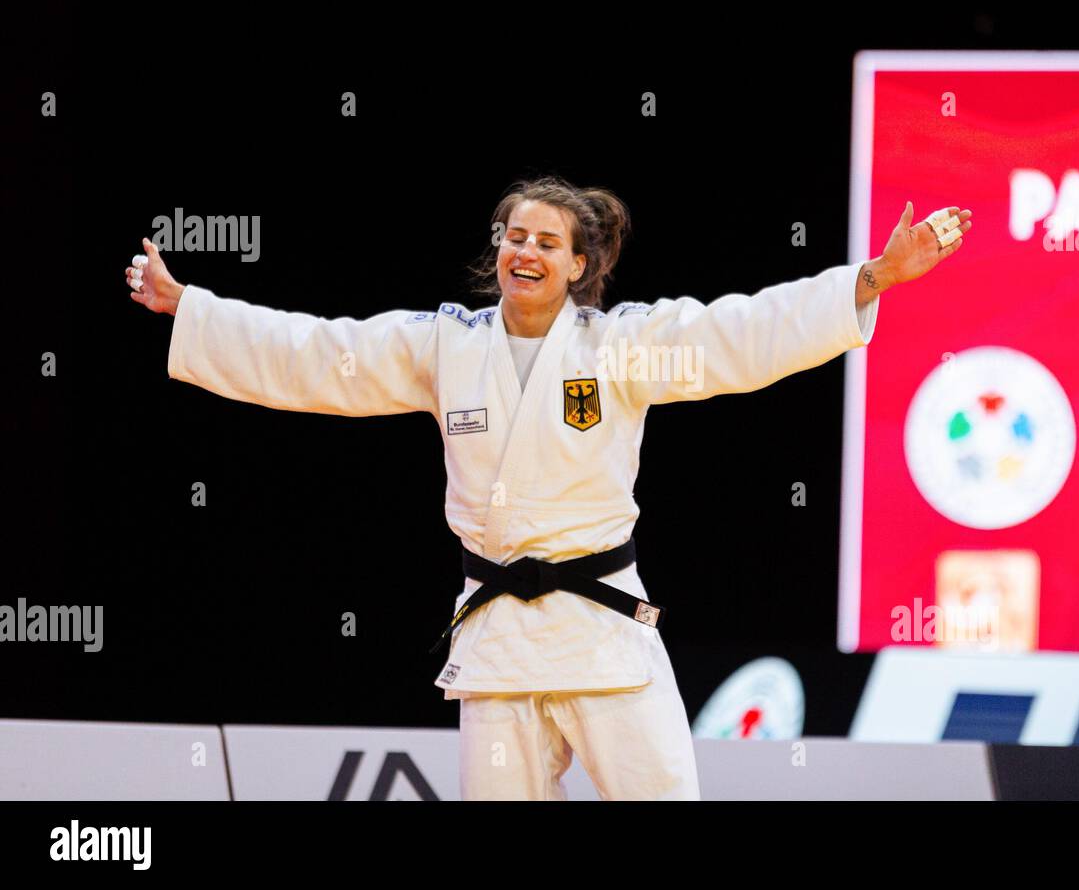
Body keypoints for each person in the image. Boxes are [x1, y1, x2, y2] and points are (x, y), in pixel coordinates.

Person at [125, 175, 971, 799]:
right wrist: (192, 308)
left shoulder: (623, 347)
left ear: (579, 265)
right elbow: (315, 355)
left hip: (603, 633)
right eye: (512, 236)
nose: (523, 250)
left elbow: (739, 334)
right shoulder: (444, 346)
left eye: (545, 242)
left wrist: (872, 279)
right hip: (497, 649)